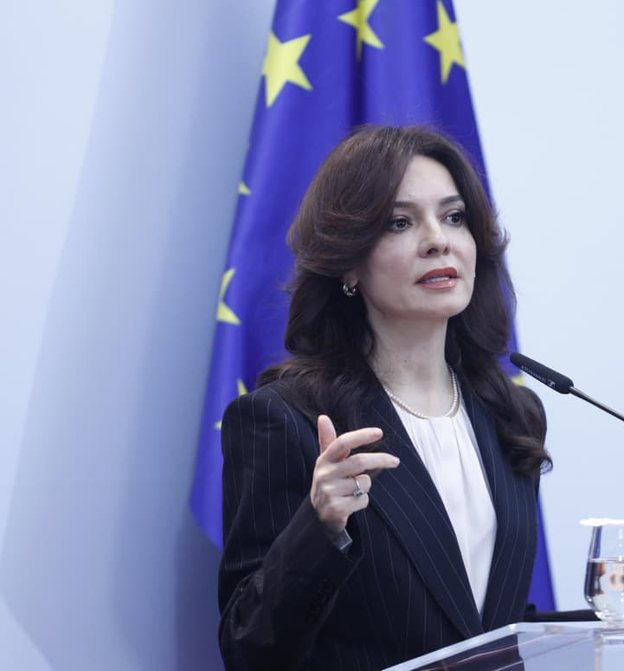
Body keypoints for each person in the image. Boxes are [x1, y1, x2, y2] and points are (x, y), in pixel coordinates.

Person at [217, 125, 552, 670]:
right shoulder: (285, 420)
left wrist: (621, 622)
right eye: (400, 223)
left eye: (454, 217)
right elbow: (248, 647)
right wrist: (319, 527)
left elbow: (486, 618)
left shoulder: (512, 416)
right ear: (349, 262)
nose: (438, 240)